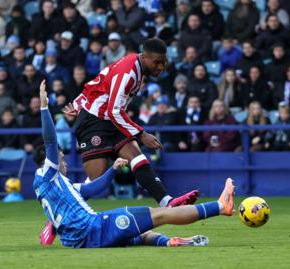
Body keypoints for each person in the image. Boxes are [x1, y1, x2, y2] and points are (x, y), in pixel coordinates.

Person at [35, 79, 235, 248]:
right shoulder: (49, 172)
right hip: (96, 227)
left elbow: (92, 188)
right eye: (61, 159)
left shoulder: (47, 186)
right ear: (50, 161)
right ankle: (220, 207)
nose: (65, 163)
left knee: (140, 234)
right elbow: (51, 140)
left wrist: (112, 170)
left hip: (78, 241)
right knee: (161, 215)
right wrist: (44, 107)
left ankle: (169, 242)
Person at [64, 39, 199, 212]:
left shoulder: (136, 65)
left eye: (163, 63)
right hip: (94, 121)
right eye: (156, 62)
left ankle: (167, 201)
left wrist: (78, 103)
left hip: (111, 119)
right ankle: (61, 208)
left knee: (137, 157)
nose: (160, 67)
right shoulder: (128, 74)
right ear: (144, 57)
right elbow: (114, 110)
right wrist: (142, 134)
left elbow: (102, 79)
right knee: (96, 180)